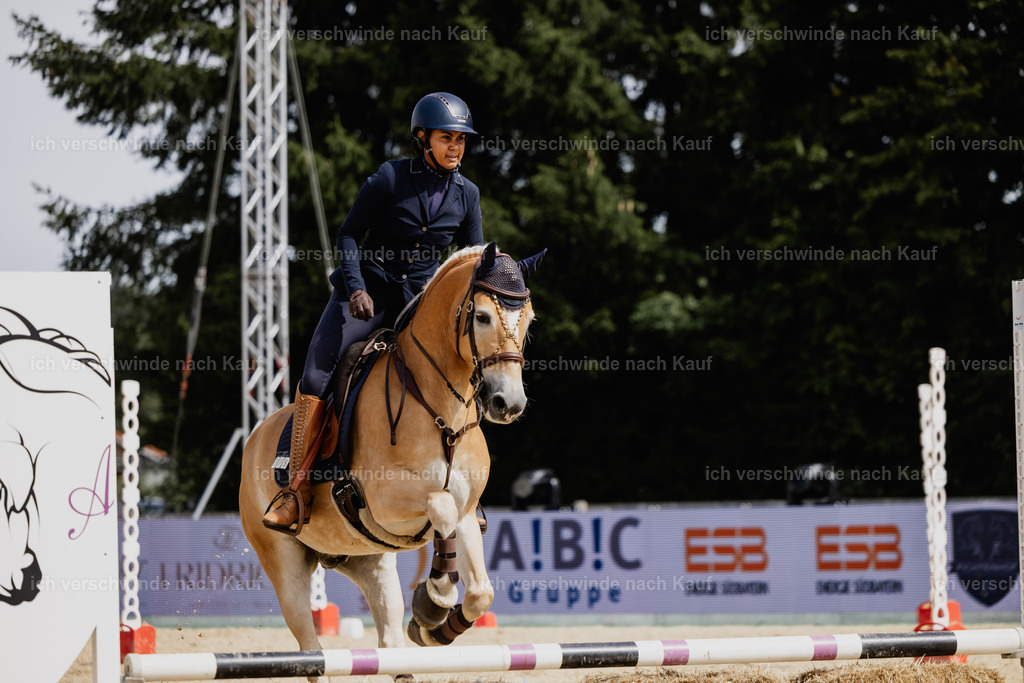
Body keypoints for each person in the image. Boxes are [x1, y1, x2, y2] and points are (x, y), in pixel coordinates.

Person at [263, 92, 484, 534]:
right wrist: (356, 287)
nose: (455, 146)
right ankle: (294, 490)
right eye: (446, 138)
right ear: (422, 138)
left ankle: (471, 491)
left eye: (460, 139)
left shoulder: (468, 195)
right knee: (316, 375)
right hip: (366, 296)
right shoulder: (390, 177)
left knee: (468, 371)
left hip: (417, 303)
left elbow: (474, 259)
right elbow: (348, 234)